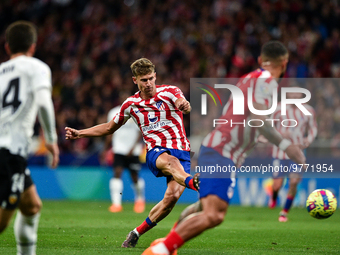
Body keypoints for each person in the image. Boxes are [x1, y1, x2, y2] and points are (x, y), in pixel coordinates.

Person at [142, 41, 307, 255]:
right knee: (214, 215)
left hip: (216, 146)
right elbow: (257, 119)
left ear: (259, 61)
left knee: (202, 208)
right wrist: (287, 146)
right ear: (284, 63)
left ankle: (165, 243)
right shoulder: (268, 81)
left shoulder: (249, 78)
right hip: (223, 152)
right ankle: (162, 249)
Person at [65, 58, 199, 248]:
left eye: (151, 78)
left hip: (182, 150)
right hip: (156, 152)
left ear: (155, 76)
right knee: (169, 161)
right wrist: (80, 133)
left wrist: (185, 105)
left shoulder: (170, 91)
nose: (149, 83)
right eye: (144, 80)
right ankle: (194, 182)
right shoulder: (130, 105)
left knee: (171, 199)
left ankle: (136, 233)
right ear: (134, 80)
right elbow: (109, 127)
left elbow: (182, 101)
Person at [0, 21, 59, 255]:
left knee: (32, 205)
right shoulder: (38, 68)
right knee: (3, 221)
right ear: (33, 47)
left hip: (8, 150)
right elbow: (44, 102)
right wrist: (51, 140)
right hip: (10, 151)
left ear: (7, 47)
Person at [268, 92, 317, 222]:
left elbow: (313, 128)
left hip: (297, 152)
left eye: (297, 95)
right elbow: (267, 127)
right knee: (277, 185)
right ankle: (273, 197)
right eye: (291, 94)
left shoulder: (308, 110)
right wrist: (280, 133)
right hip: (280, 151)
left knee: (294, 182)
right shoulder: (278, 109)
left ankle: (284, 212)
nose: (294, 97)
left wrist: (309, 139)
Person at [106, 91, 145, 213]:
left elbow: (140, 132)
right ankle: (116, 204)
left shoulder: (136, 112)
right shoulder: (113, 112)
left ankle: (139, 200)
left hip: (133, 151)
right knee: (117, 173)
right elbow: (110, 130)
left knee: (134, 177)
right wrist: (106, 148)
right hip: (119, 149)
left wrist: (133, 148)